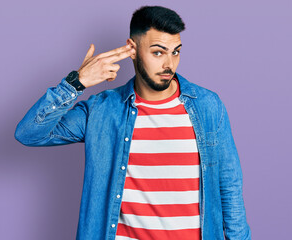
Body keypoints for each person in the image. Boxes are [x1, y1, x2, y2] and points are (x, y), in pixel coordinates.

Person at [14, 5, 251, 240]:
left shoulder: (208, 106)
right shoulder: (102, 110)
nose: (169, 63)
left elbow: (229, 187)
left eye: (175, 52)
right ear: (132, 49)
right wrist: (77, 83)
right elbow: (29, 133)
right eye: (158, 52)